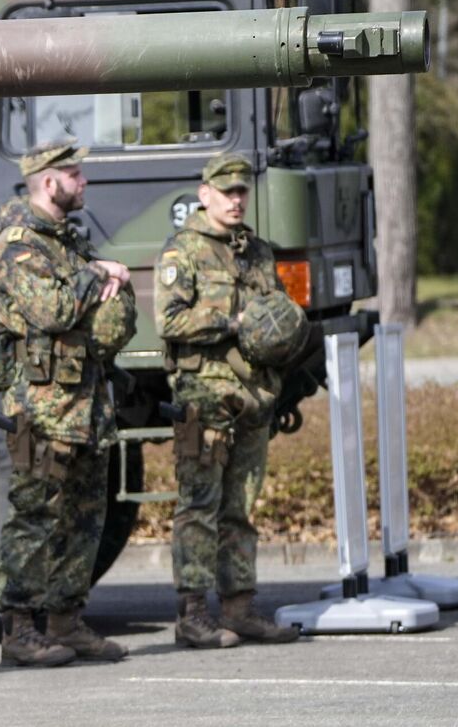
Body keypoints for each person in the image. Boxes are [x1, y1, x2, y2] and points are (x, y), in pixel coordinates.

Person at [0, 138, 132, 667]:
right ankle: (20, 629)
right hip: (43, 407)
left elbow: (93, 309)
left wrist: (97, 277)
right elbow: (51, 310)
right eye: (75, 174)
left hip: (87, 402)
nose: (84, 182)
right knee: (36, 516)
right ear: (50, 182)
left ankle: (67, 621)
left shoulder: (67, 242)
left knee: (84, 516)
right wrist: (100, 274)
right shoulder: (19, 246)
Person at [153, 151, 302, 648]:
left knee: (241, 506)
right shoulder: (184, 251)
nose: (237, 200)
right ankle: (193, 615)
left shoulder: (257, 252)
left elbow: (278, 310)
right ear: (205, 195)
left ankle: (239, 609)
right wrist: (233, 323)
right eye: (227, 192)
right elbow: (169, 321)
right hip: (205, 397)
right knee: (200, 505)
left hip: (252, 398)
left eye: (242, 191)